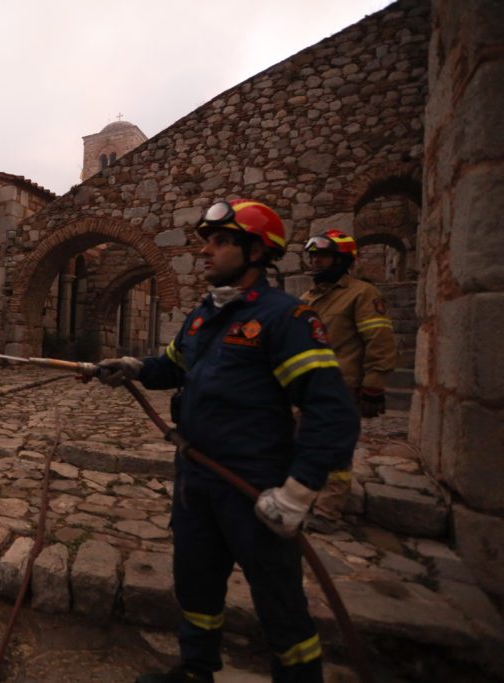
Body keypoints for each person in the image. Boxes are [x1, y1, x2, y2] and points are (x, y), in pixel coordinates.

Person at [96, 199, 360, 683]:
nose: (205, 252)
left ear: (256, 250)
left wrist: (298, 493)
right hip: (197, 477)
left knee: (278, 599)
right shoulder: (203, 316)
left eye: (219, 242)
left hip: (253, 482)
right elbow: (174, 366)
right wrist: (135, 367)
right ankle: (197, 669)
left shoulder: (287, 320)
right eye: (204, 242)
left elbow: (332, 411)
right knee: (195, 583)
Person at [300, 229, 396, 533]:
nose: (315, 261)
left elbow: (379, 339)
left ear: (342, 259)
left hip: (342, 387)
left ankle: (328, 512)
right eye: (312, 256)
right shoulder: (308, 297)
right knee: (302, 444)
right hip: (306, 386)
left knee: (335, 451)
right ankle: (302, 499)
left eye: (323, 256)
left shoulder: (362, 294)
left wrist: (373, 385)